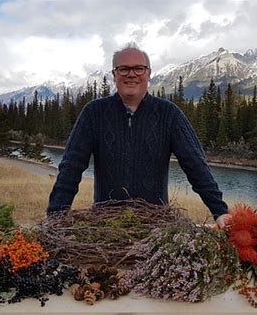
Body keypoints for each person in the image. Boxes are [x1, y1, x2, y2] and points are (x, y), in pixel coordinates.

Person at [47, 43, 230, 228]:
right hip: (104, 227)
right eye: (124, 69)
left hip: (157, 229)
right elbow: (71, 167)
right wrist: (55, 217)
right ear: (114, 75)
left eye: (139, 68)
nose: (131, 74)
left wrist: (220, 211)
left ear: (148, 73)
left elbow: (195, 165)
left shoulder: (168, 114)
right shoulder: (94, 113)